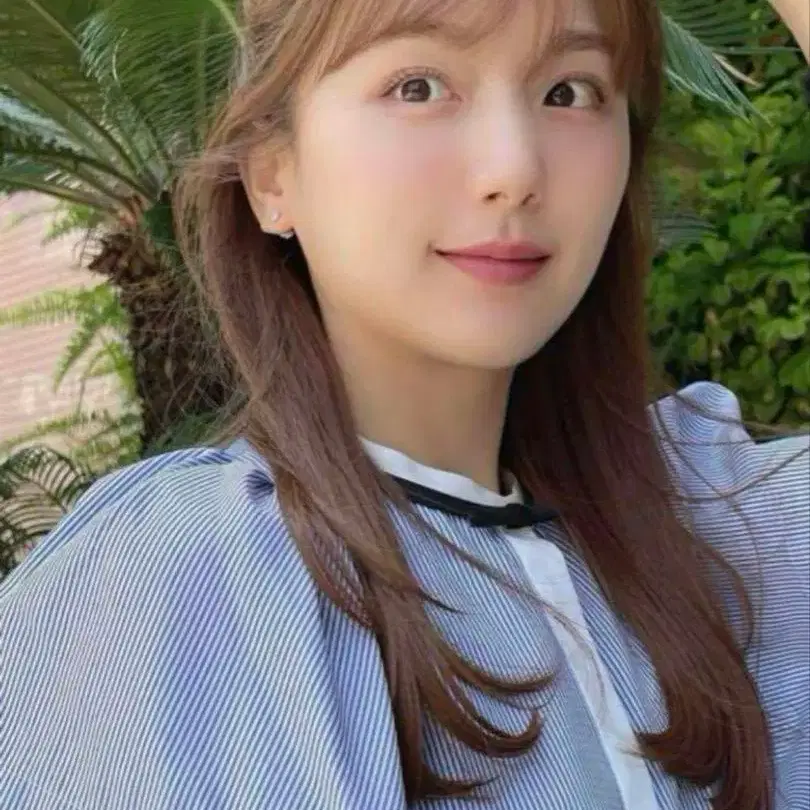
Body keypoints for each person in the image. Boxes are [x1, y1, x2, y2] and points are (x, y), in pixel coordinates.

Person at [1, 0, 808, 808]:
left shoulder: (707, 526)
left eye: (569, 91)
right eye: (417, 87)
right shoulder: (191, 580)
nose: (514, 169)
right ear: (272, 173)